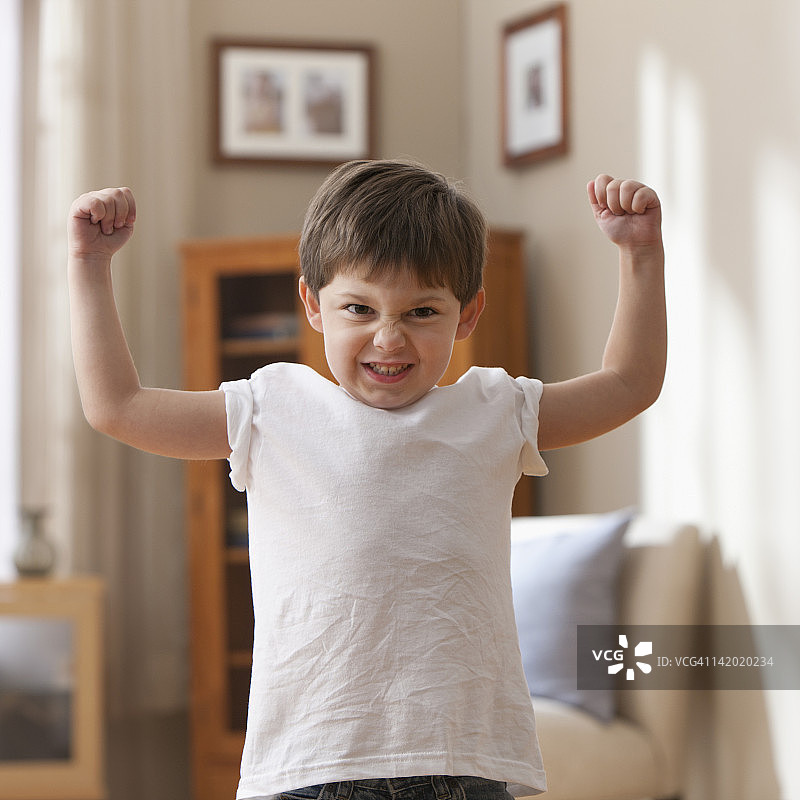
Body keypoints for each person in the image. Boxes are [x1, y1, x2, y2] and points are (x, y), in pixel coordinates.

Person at [68, 160, 665, 800]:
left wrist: (641, 256)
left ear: (467, 316)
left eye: (422, 311)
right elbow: (117, 407)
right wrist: (90, 265)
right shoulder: (270, 410)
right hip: (309, 769)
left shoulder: (494, 410)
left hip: (463, 765)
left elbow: (630, 384)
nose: (388, 337)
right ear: (312, 305)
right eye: (359, 307)